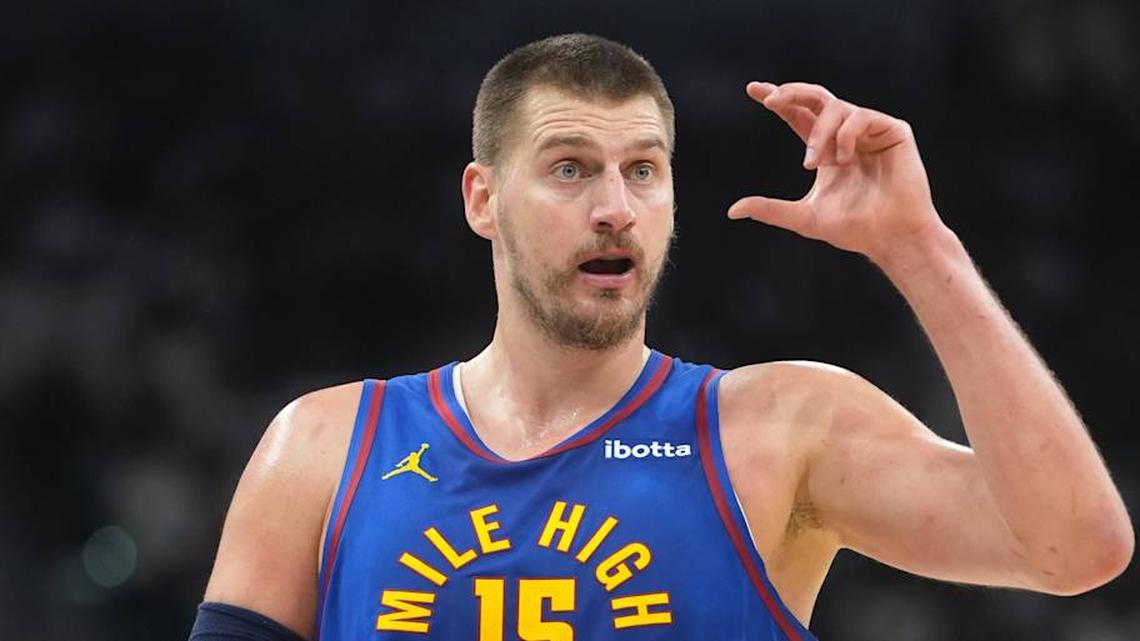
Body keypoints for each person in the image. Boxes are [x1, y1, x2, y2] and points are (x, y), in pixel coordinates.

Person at [189, 33, 1133, 641]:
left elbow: (1075, 548)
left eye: (644, 171)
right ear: (483, 198)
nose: (614, 209)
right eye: (569, 169)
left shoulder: (779, 428)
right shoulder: (322, 445)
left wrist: (923, 250)